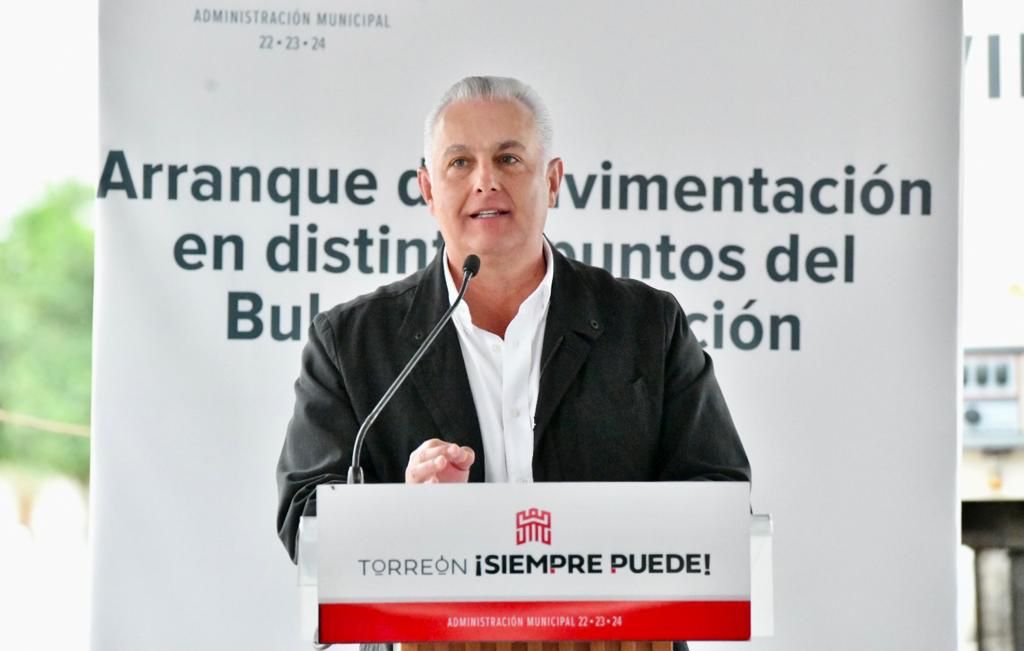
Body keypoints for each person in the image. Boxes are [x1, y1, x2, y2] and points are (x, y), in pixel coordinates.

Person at [276, 76, 750, 559]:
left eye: (508, 159)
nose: (485, 181)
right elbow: (305, 524)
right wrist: (406, 510)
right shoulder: (350, 343)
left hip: (611, 609)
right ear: (428, 190)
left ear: (552, 181)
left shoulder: (648, 324)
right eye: (460, 162)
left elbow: (720, 498)